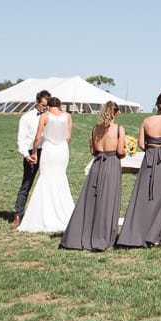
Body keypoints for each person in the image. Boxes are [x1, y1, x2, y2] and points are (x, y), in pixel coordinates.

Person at [118, 92, 161, 247]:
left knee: (145, 195)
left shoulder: (147, 121)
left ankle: (139, 231)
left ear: (157, 104)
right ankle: (157, 236)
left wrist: (152, 149)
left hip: (150, 156)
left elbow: (141, 143)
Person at [60, 101, 127, 251]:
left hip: (97, 164)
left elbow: (92, 150)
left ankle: (84, 232)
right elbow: (121, 151)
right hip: (111, 164)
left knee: (91, 200)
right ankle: (103, 236)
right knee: (108, 200)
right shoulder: (119, 129)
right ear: (116, 113)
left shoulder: (94, 129)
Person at [18, 98, 74, 233]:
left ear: (48, 106)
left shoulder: (45, 116)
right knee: (60, 177)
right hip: (62, 149)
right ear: (60, 105)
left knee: (46, 178)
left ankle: (43, 214)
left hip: (49, 149)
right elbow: (68, 137)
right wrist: (60, 143)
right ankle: (64, 211)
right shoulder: (68, 116)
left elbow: (38, 137)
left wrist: (35, 152)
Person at [12, 90, 51, 227]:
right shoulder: (27, 118)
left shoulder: (50, 116)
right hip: (31, 153)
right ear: (37, 102)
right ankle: (18, 214)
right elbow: (21, 140)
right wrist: (27, 155)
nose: (45, 108)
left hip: (46, 152)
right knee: (26, 183)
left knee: (47, 184)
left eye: (47, 105)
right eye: (43, 105)